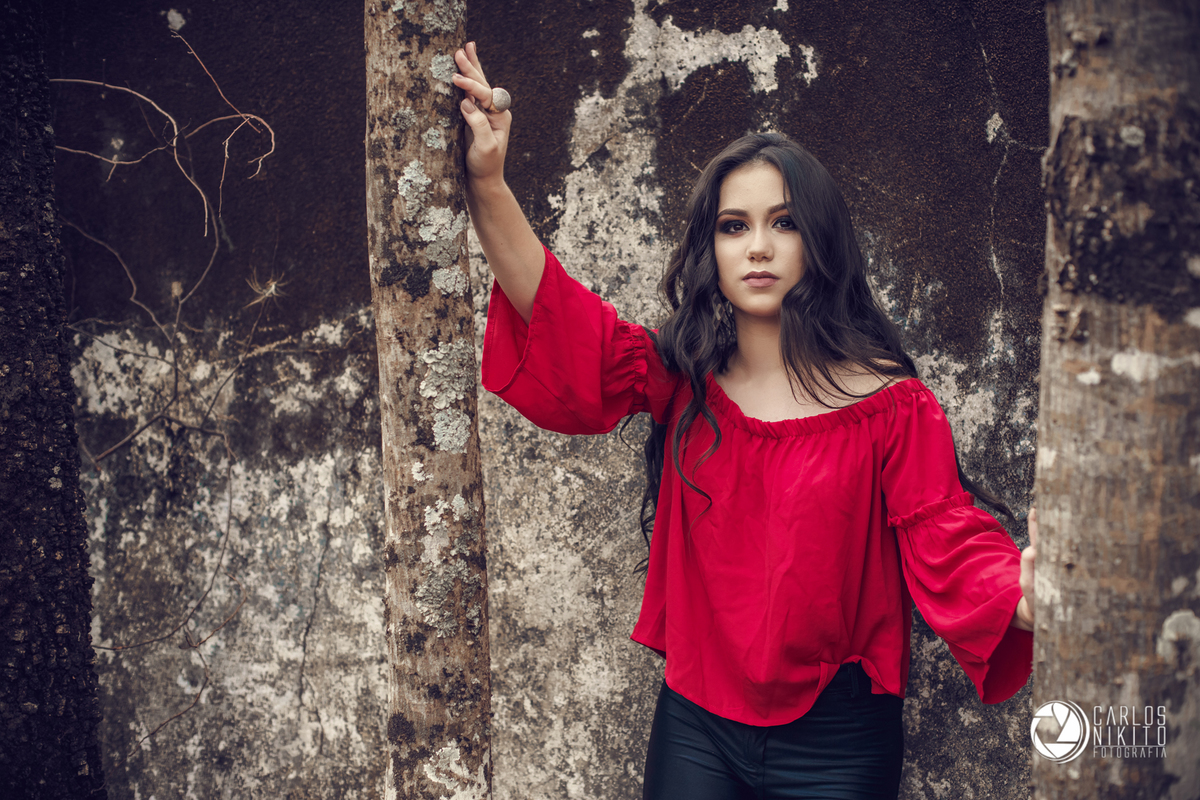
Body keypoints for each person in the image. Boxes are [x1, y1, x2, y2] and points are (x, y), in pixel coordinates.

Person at [452, 42, 1037, 800]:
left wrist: (1021, 596)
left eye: (783, 222)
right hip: (696, 724)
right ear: (711, 247)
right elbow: (555, 312)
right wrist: (488, 180)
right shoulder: (681, 379)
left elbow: (945, 534)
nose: (758, 247)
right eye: (734, 226)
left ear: (819, 239)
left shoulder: (893, 408)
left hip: (839, 742)